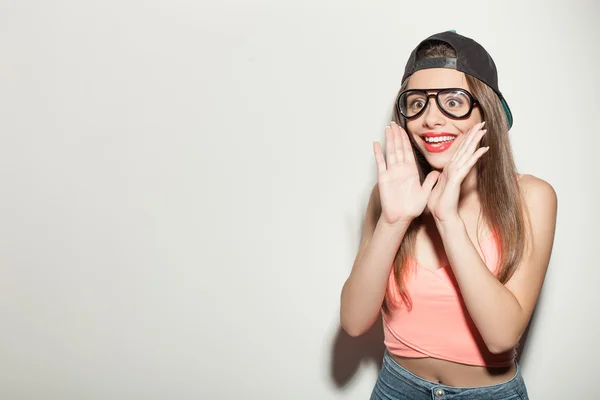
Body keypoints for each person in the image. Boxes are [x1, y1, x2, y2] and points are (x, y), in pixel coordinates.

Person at [339, 31, 557, 400]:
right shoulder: (388, 197)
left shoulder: (532, 197)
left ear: (484, 111)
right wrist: (393, 222)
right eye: (417, 103)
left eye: (453, 102)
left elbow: (502, 335)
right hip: (396, 387)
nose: (431, 119)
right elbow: (354, 321)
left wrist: (448, 220)